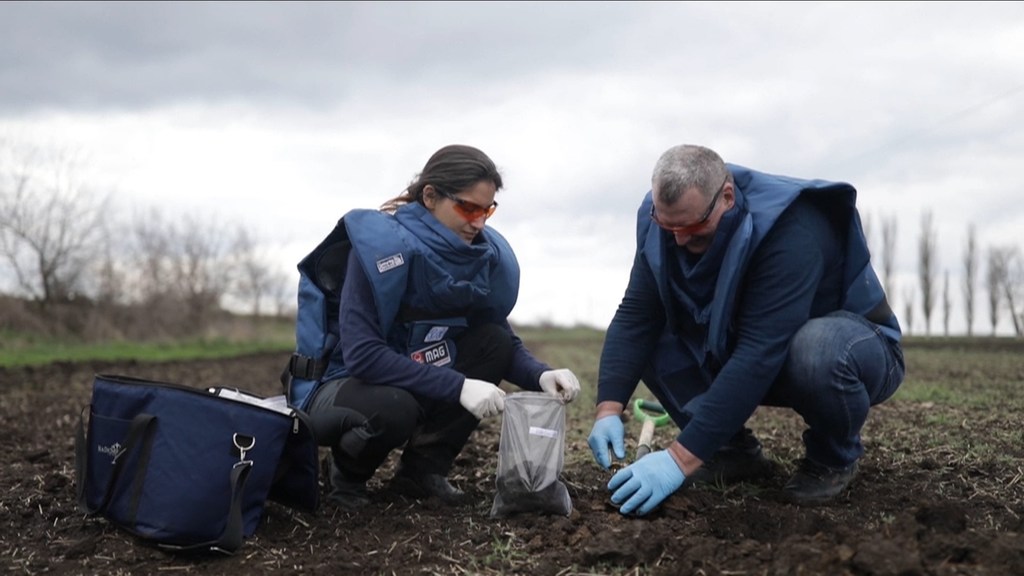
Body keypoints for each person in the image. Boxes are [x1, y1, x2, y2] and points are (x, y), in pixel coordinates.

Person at [587, 144, 904, 515]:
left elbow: (759, 352)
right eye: (667, 226)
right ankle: (730, 452)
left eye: (692, 228)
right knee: (656, 334)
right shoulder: (666, 220)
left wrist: (678, 459)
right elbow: (638, 315)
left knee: (816, 349)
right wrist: (608, 408)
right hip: (755, 351)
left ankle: (832, 456)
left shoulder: (791, 230)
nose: (679, 240)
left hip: (852, 351)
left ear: (726, 196)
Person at [305, 144, 581, 510]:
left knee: (493, 341)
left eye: (488, 210)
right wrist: (459, 386)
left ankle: (420, 472)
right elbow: (363, 356)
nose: (479, 222)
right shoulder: (380, 250)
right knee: (393, 406)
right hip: (341, 385)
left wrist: (541, 375)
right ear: (431, 196)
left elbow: (497, 338)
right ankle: (346, 476)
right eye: (468, 208)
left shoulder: (478, 256)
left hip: (414, 371)